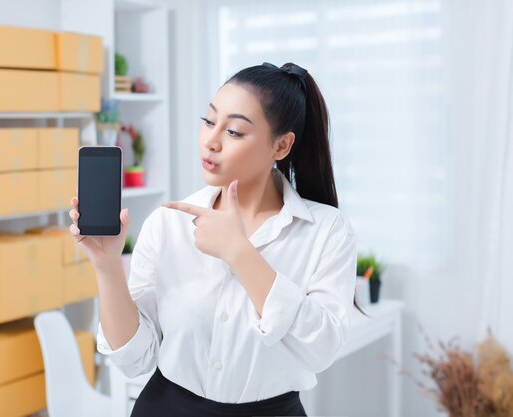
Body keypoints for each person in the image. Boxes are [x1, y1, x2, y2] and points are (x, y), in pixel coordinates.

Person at [68, 62, 359, 417]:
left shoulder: (326, 230)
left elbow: (321, 350)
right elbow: (134, 360)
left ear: (281, 146)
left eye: (234, 131)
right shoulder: (168, 223)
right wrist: (107, 264)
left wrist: (239, 252)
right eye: (208, 121)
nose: (211, 140)